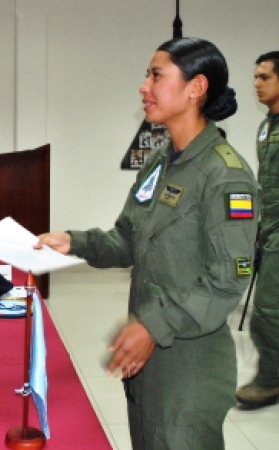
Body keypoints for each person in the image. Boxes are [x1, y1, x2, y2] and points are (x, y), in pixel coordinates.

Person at [36, 38, 258, 450]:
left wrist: (154, 327)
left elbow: (229, 281)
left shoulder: (226, 175)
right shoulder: (161, 160)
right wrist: (75, 242)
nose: (144, 86)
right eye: (147, 75)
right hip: (148, 357)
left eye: (156, 75)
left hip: (188, 367)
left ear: (196, 88)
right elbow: (128, 239)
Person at [236, 50, 279, 408]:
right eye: (255, 77)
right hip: (270, 227)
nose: (256, 84)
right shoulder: (267, 126)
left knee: (266, 310)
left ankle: (270, 380)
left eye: (264, 77)